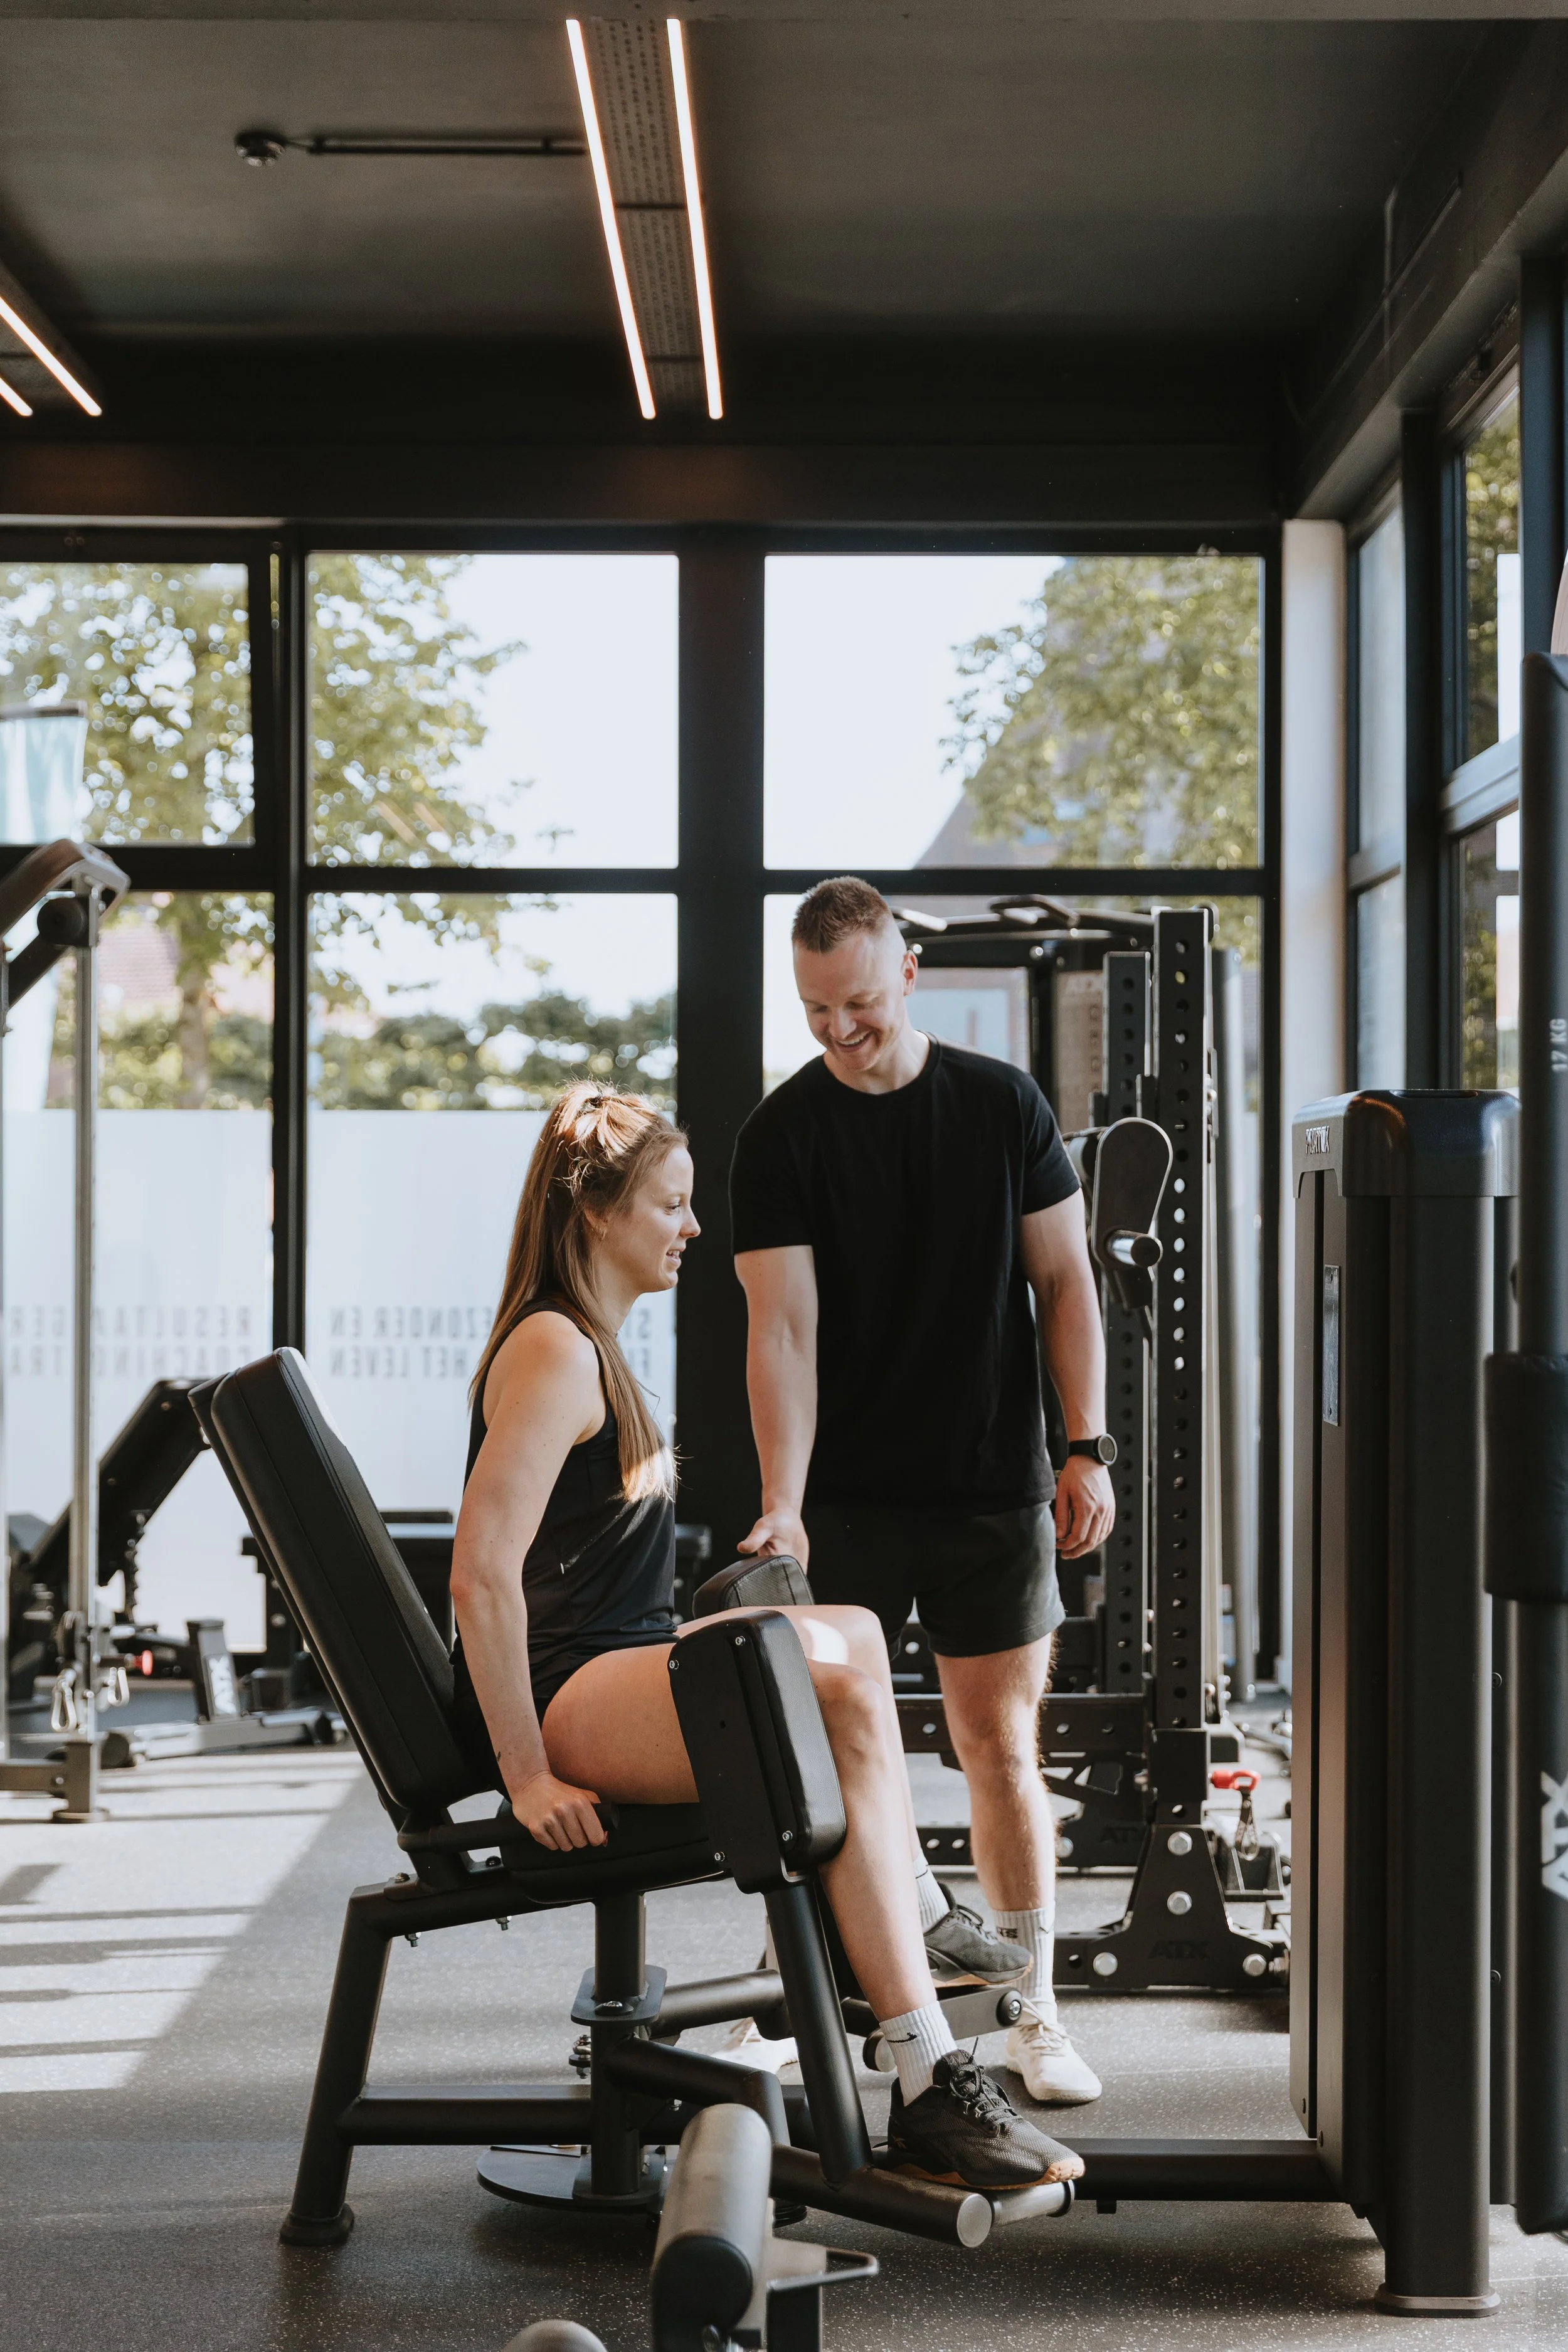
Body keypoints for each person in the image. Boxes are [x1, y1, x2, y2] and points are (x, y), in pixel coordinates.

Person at [448, 1081, 1083, 2193]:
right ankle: (928, 2077)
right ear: (596, 1211)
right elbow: (480, 1574)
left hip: (610, 1659)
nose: (694, 1226)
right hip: (568, 1689)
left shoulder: (587, 1342)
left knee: (851, 1632)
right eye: (671, 1204)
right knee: (835, 1697)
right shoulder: (554, 1348)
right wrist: (527, 1773)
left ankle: (917, 1913)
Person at [729, 877, 1116, 2107]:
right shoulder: (781, 1136)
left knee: (997, 1745)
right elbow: (781, 1333)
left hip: (988, 1487)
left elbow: (1065, 1282)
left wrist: (1086, 1444)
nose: (837, 1030)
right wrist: (783, 1501)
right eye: (813, 1010)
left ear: (906, 973)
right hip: (846, 1496)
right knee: (825, 1765)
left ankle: (1032, 2007)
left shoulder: (1002, 1105)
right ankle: (794, 2002)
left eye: (856, 1003)